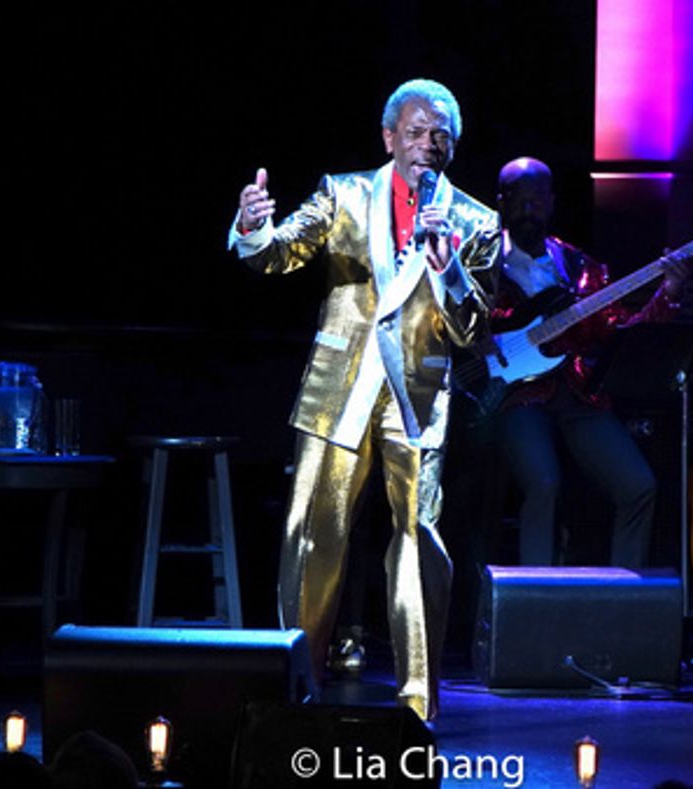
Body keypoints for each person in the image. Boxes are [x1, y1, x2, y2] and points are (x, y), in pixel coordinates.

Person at [228, 78, 497, 721]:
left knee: (417, 539)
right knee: (312, 536)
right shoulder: (342, 193)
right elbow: (282, 252)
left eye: (440, 136)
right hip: (338, 390)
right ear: (389, 138)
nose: (427, 145)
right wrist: (253, 228)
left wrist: (448, 265)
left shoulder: (475, 222)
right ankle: (295, 693)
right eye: (415, 132)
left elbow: (474, 329)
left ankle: (418, 702)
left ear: (453, 147)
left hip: (418, 396)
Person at [479, 157, 688, 571]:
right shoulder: (482, 264)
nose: (528, 209)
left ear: (552, 202)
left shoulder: (580, 270)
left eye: (537, 199)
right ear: (501, 202)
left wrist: (668, 293)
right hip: (515, 395)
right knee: (544, 482)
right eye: (519, 199)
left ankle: (623, 591)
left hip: (577, 393)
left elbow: (622, 333)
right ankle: (534, 595)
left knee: (638, 485)